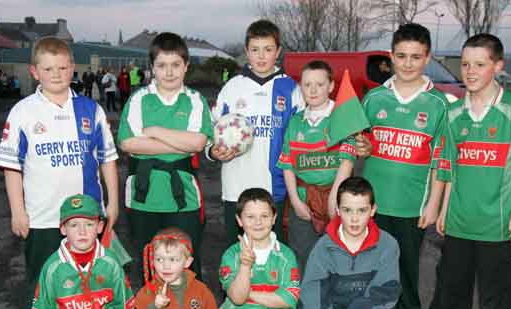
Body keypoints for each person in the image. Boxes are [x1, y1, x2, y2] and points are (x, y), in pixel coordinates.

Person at [0, 37, 120, 309]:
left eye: (63, 67)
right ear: (35, 71)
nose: (56, 74)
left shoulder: (90, 110)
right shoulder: (23, 112)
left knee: (91, 278)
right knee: (41, 281)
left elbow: (107, 160)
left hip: (88, 218)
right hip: (43, 218)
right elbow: (12, 168)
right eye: (48, 68)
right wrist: (18, 212)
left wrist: (114, 203)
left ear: (72, 69)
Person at [423, 34, 511, 309]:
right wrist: (440, 208)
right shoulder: (454, 111)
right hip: (458, 217)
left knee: (498, 291)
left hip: (498, 218)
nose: (471, 71)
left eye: (480, 64)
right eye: (467, 64)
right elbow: (444, 163)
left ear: (498, 66)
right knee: (451, 285)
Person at [360, 23, 453, 309]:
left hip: (412, 203)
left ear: (427, 58)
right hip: (372, 202)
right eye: (401, 56)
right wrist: (364, 146)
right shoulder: (374, 98)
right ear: (390, 57)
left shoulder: (438, 104)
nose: (408, 63)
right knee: (370, 260)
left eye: (416, 56)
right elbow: (360, 141)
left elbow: (442, 160)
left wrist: (434, 203)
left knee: (407, 263)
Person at [118, 32, 212, 280]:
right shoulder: (139, 100)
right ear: (152, 68)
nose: (169, 72)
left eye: (175, 65)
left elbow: (198, 142)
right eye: (161, 66)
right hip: (143, 196)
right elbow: (128, 143)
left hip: (183, 198)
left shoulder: (195, 101)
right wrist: (180, 143)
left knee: (186, 265)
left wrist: (155, 132)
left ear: (186, 66)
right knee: (149, 263)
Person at [299, 177, 402, 309]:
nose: (354, 219)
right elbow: (311, 298)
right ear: (337, 210)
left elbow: (388, 290)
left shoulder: (388, 244)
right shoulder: (324, 248)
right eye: (347, 210)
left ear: (373, 210)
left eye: (362, 210)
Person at [210, 19, 304, 247]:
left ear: (278, 51)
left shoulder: (291, 89)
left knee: (273, 255)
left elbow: (302, 136)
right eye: (255, 50)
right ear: (246, 52)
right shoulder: (232, 88)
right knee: (236, 254)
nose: (261, 56)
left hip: (274, 188)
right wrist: (213, 152)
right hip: (236, 187)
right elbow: (211, 131)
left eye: (268, 49)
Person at [276, 60, 371, 271]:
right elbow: (288, 164)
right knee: (302, 259)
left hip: (334, 198)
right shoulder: (295, 121)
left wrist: (334, 197)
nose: (313, 90)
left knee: (337, 260)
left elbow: (346, 162)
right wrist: (294, 200)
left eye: (319, 84)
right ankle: (306, 305)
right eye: (307, 84)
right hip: (302, 200)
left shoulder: (341, 118)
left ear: (331, 86)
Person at [217, 188, 302, 309]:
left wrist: (250, 293)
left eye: (264, 216)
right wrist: (245, 266)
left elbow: (288, 300)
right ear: (239, 220)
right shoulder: (231, 255)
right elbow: (237, 299)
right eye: (250, 216)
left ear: (274, 218)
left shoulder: (287, 255)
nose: (258, 222)